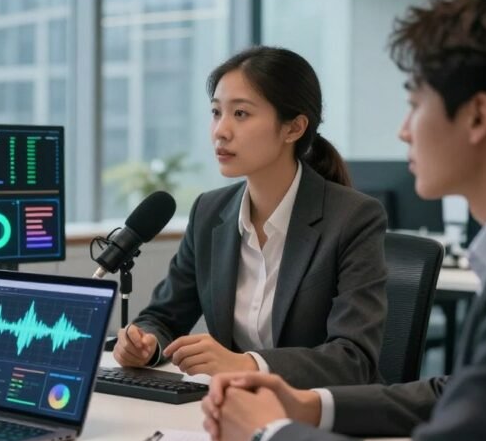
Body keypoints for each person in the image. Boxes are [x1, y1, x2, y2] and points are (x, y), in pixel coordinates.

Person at [202, 0, 486, 441]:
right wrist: (310, 405)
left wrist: (265, 437)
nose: (404, 130)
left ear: (477, 116)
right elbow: (461, 391)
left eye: (415, 104)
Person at [113, 46, 388, 387]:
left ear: (293, 128)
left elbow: (353, 359)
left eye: (241, 114)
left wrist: (247, 364)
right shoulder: (209, 212)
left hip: (320, 410)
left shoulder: (354, 217)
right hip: (234, 406)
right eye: (216, 112)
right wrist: (146, 344)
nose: (220, 130)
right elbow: (163, 317)